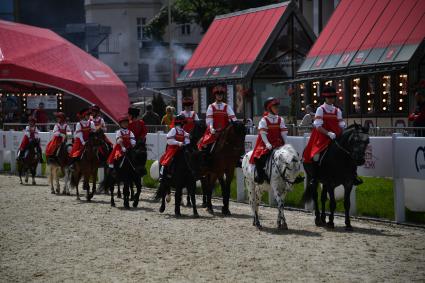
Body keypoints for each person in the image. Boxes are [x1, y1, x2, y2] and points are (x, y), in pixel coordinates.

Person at [303, 86, 362, 185]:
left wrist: (344, 131)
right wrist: (328, 133)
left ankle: (353, 175)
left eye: (333, 97)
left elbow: (341, 124)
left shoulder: (337, 110)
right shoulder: (320, 109)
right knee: (316, 156)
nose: (331, 99)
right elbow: (318, 126)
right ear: (325, 98)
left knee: (349, 153)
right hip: (322, 136)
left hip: (336, 136)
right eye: (329, 97)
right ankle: (314, 176)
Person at [249, 97, 288, 184]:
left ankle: (290, 176)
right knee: (259, 158)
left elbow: (283, 133)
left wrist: (286, 144)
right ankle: (260, 176)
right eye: (275, 107)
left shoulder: (280, 119)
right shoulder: (264, 120)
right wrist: (267, 143)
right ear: (269, 108)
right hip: (266, 144)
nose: (277, 109)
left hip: (278, 143)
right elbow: (263, 134)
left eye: (278, 107)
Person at [198, 85, 237, 152]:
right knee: (206, 145)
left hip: (225, 132)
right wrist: (211, 128)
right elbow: (209, 120)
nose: (219, 95)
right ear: (215, 95)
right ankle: (206, 158)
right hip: (214, 131)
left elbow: (233, 119)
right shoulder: (211, 106)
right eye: (218, 94)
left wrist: (237, 125)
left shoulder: (227, 106)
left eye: (221, 94)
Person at [159, 114, 190, 181]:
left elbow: (187, 140)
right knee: (168, 160)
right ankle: (163, 175)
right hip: (172, 149)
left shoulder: (184, 132)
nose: (184, 125)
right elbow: (169, 140)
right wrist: (178, 143)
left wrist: (186, 143)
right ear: (180, 123)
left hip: (181, 149)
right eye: (183, 123)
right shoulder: (173, 130)